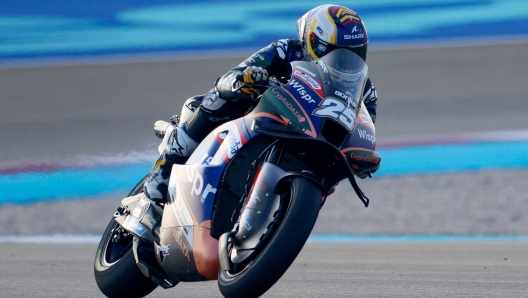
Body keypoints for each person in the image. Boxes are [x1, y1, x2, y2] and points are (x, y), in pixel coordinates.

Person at [143, 4, 379, 203]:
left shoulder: (365, 91)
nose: (347, 61)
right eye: (337, 53)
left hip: (314, 144)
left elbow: (362, 131)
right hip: (264, 117)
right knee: (219, 98)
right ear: (314, 43)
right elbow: (232, 76)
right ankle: (165, 169)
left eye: (355, 53)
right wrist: (244, 80)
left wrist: (364, 156)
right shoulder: (285, 51)